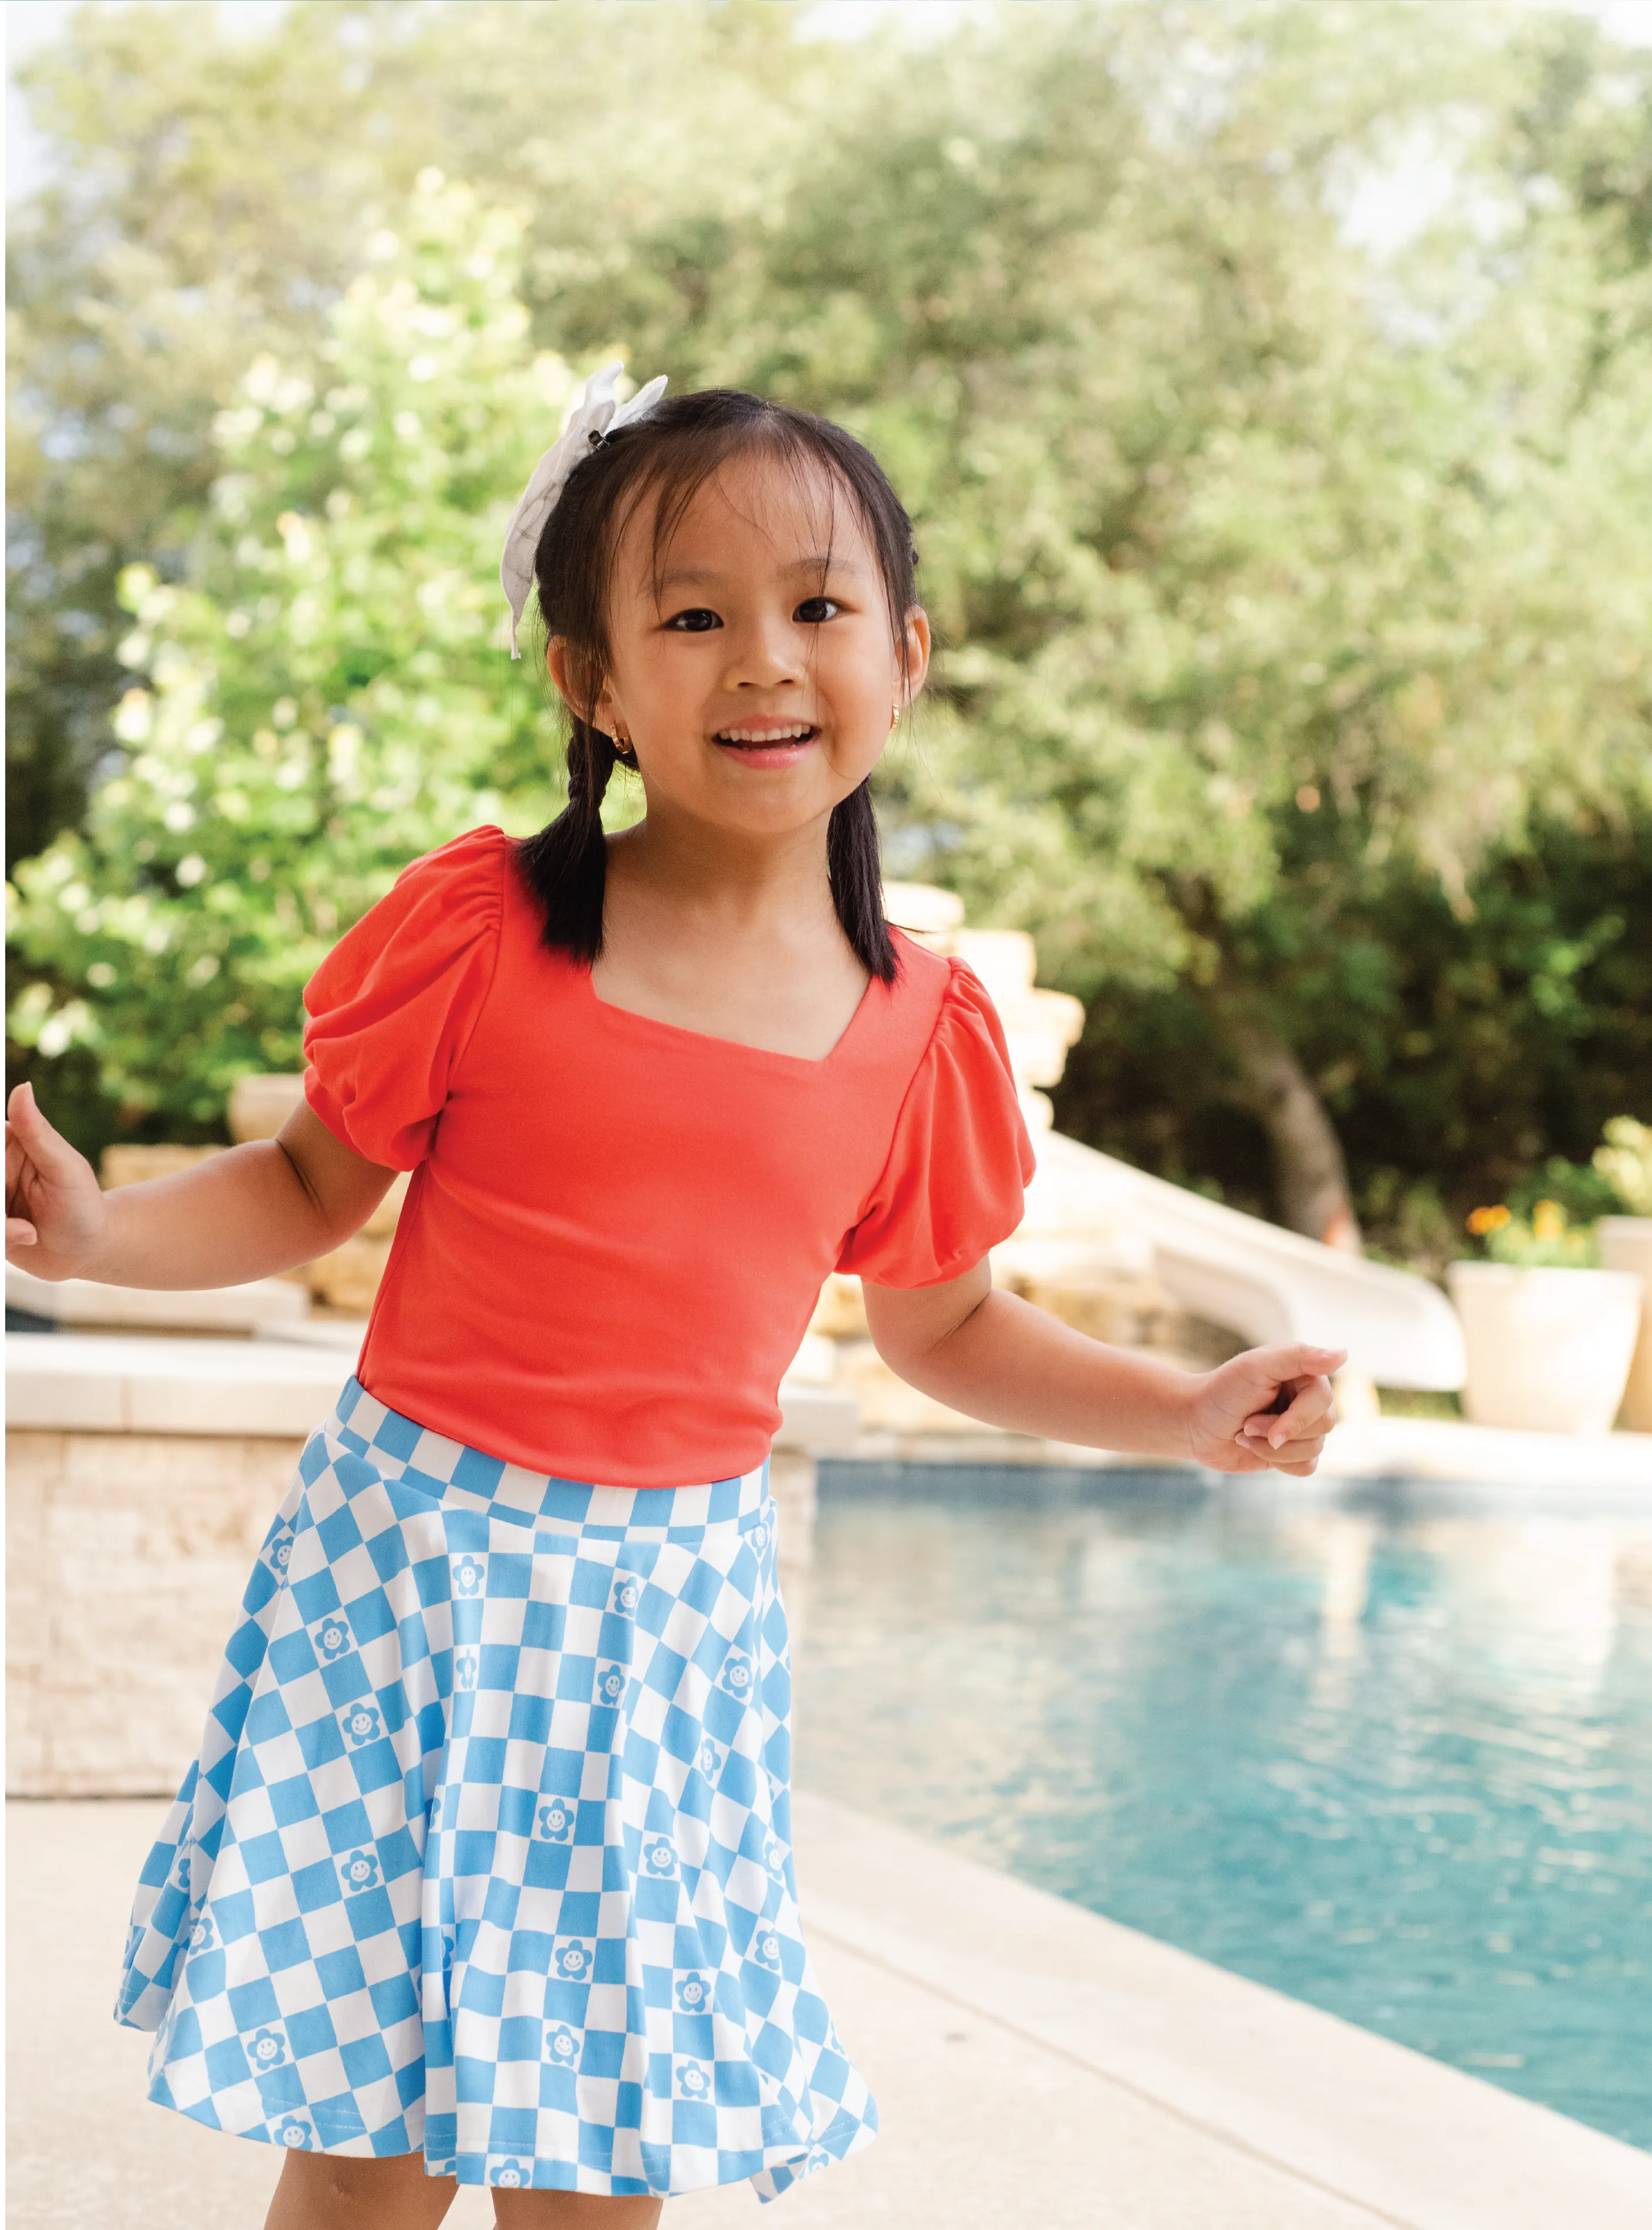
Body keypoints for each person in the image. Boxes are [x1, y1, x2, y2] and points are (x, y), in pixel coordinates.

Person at [4, 366, 1343, 2227]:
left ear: (908, 654)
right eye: (691, 615)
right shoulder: (485, 934)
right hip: (415, 1580)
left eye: (815, 607)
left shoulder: (916, 1031)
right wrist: (95, 1237)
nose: (762, 660)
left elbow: (945, 1329)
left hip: (664, 1625)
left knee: (605, 2142)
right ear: (592, 681)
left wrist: (1183, 1410)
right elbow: (311, 1185)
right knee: (371, 2131)